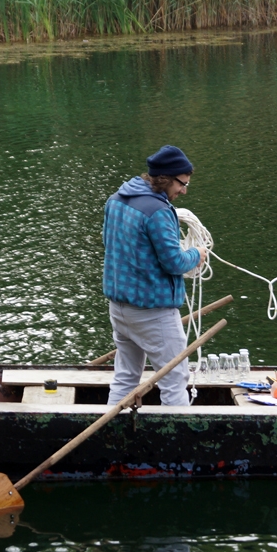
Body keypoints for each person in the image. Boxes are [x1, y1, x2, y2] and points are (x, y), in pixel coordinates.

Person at [103, 145, 207, 407]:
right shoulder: (159, 212)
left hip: (119, 309)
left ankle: (109, 438)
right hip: (153, 313)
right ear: (165, 178)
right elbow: (174, 263)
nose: (184, 190)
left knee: (126, 377)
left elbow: (110, 244)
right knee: (175, 380)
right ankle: (176, 444)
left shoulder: (115, 200)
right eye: (181, 184)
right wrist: (197, 253)